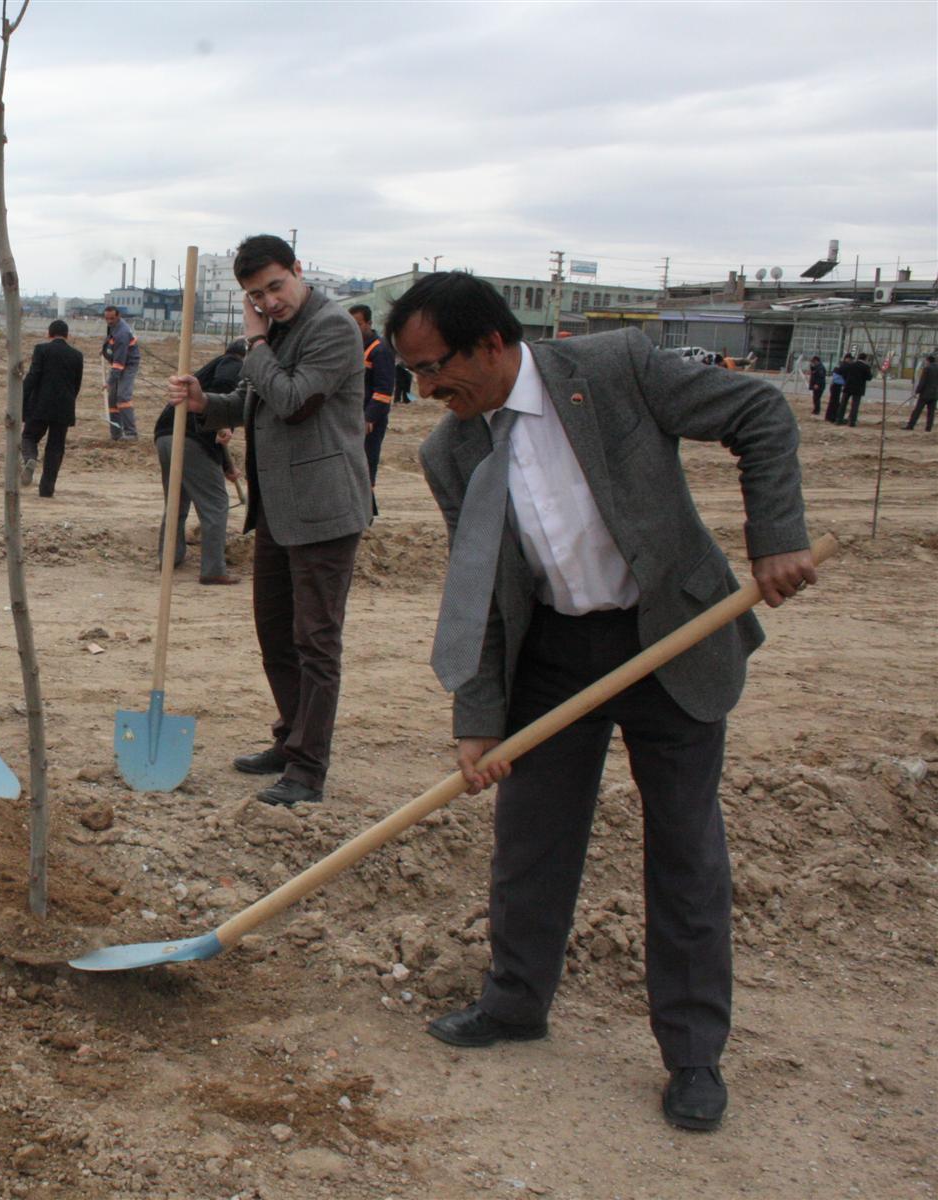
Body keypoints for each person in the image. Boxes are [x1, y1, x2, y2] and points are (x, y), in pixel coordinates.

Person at [390, 271, 815, 1134]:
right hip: (553, 653)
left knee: (685, 849)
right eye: (414, 374)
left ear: (492, 344)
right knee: (530, 838)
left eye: (434, 369)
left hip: (670, 637)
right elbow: (479, 593)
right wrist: (478, 720)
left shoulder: (617, 368)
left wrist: (776, 538)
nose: (426, 390)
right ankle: (515, 1002)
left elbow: (760, 414)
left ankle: (692, 1054)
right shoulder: (452, 452)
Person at [167, 234, 370, 807]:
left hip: (325, 509)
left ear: (298, 270)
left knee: (316, 641)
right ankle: (290, 738)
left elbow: (294, 400)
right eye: (257, 295)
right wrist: (204, 402)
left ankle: (308, 768)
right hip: (278, 510)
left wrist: (256, 339)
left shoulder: (333, 329)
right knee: (276, 635)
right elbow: (252, 401)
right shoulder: (277, 332)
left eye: (275, 287)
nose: (269, 301)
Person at [154, 339, 245, 585]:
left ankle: (169, 557)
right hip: (189, 437)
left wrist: (227, 467)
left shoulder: (212, 366)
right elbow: (221, 396)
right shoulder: (233, 365)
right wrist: (224, 423)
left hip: (165, 434)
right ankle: (213, 569)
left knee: (176, 500)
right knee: (216, 503)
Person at [20, 319, 83, 497]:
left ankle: (30, 458)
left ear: (49, 334)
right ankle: (47, 490)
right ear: (67, 335)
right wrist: (69, 402)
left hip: (40, 405)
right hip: (64, 408)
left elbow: (33, 376)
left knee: (29, 437)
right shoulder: (77, 355)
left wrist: (21, 398)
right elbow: (76, 384)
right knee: (55, 449)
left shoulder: (41, 350)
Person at [349, 304, 396, 515]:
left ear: (369, 323)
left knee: (366, 463)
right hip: (353, 417)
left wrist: (369, 418)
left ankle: (366, 511)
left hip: (370, 421)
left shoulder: (380, 350)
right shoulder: (355, 347)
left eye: (358, 324)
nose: (355, 328)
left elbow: (384, 391)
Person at [102, 305, 142, 441]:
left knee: (123, 397)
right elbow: (111, 342)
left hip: (128, 365)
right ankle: (116, 433)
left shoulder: (122, 333)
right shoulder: (113, 326)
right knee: (112, 398)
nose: (109, 321)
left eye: (112, 318)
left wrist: (109, 382)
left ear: (118, 316)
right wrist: (105, 350)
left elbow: (119, 363)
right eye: (107, 318)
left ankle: (131, 433)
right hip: (118, 363)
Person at [841, 350, 874, 426]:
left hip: (848, 386)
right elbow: (869, 377)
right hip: (858, 388)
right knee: (855, 405)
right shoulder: (866, 367)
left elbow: (844, 374)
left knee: (843, 404)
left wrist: (846, 381)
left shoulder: (851, 365)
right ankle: (852, 421)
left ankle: (839, 419)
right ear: (865, 359)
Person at [907, 354, 937, 432]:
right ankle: (928, 428)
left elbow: (922, 382)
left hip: (925, 394)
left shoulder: (927, 368)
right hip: (934, 395)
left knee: (917, 411)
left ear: (928, 360)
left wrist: (916, 392)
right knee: (931, 413)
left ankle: (910, 425)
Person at [825, 355, 851, 424]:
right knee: (835, 402)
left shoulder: (840, 365)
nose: (851, 361)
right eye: (850, 359)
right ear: (847, 359)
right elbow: (846, 376)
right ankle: (832, 417)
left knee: (833, 401)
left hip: (834, 384)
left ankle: (829, 416)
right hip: (837, 385)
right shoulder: (845, 366)